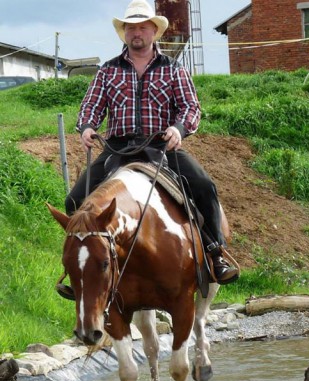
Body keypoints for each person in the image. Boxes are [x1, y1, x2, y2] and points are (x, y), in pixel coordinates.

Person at [61, 0, 239, 297]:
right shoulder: (108, 71)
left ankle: (215, 252)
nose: (137, 32)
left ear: (154, 31)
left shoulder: (173, 69)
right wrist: (88, 127)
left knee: (204, 186)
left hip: (162, 147)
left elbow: (190, 107)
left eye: (143, 26)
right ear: (125, 33)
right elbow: (90, 107)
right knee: (74, 201)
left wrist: (178, 129)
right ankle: (80, 270)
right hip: (117, 149)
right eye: (131, 27)